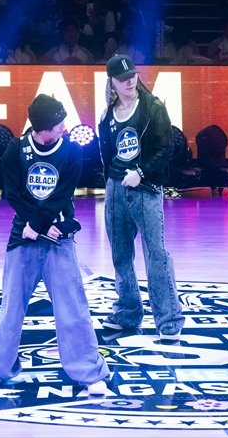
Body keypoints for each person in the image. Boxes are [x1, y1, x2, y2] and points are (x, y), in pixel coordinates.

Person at [0, 95, 110, 395]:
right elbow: (13, 193)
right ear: (42, 128)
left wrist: (39, 225)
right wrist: (33, 224)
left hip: (57, 236)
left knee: (72, 308)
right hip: (23, 236)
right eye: (58, 123)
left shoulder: (71, 151)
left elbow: (62, 194)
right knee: (10, 308)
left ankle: (89, 372)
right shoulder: (15, 150)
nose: (64, 127)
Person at [97, 54, 184, 339]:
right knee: (120, 253)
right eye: (123, 78)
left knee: (156, 253)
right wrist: (112, 183)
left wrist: (142, 172)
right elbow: (107, 154)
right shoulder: (107, 116)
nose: (130, 81)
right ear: (112, 82)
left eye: (132, 75)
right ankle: (127, 312)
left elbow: (167, 148)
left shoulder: (153, 107)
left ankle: (169, 319)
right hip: (116, 188)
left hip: (145, 189)